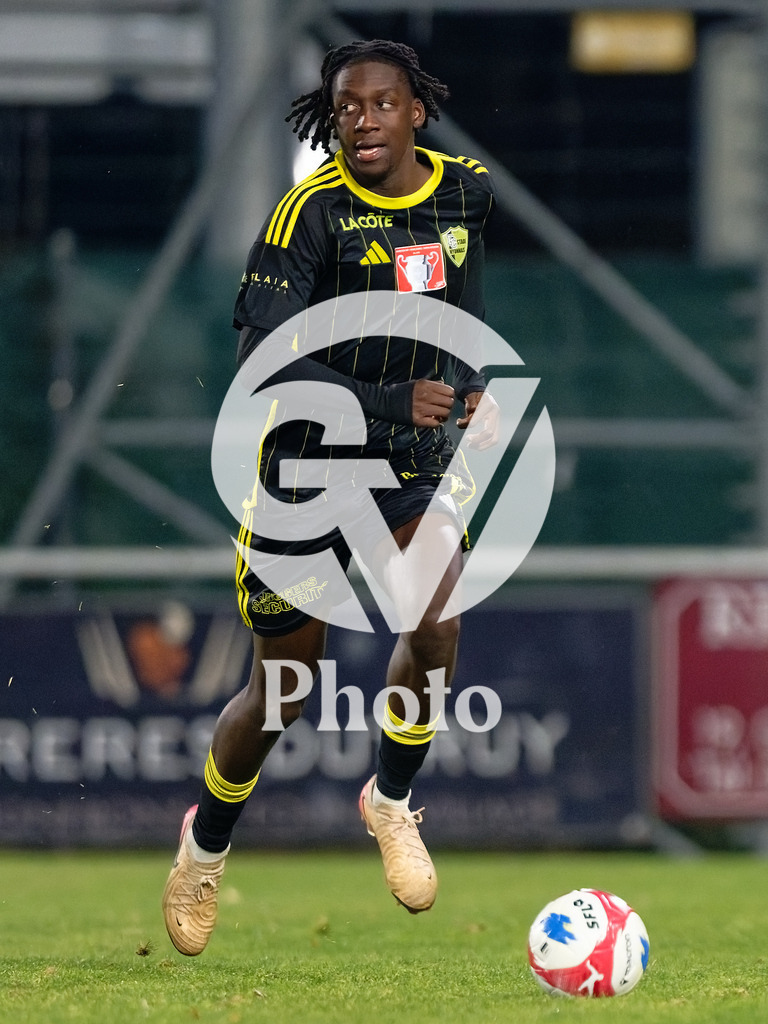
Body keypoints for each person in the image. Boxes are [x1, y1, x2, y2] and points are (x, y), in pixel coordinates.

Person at [162, 38, 498, 956]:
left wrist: (472, 387)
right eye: (347, 108)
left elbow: (456, 312)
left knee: (436, 615)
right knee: (284, 689)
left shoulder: (464, 192)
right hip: (304, 468)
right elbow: (257, 368)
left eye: (381, 104)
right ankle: (206, 846)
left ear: (415, 111)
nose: (363, 121)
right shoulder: (305, 216)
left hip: (406, 460)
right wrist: (390, 394)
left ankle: (389, 801)